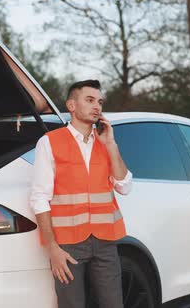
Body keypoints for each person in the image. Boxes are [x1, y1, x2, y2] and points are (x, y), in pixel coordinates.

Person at [29, 80, 133, 308]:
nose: (97, 106)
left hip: (105, 241)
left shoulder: (106, 143)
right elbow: (39, 198)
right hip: (67, 245)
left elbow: (124, 186)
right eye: (89, 100)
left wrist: (111, 145)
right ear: (71, 105)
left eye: (100, 102)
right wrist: (53, 249)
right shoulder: (49, 142)